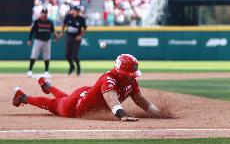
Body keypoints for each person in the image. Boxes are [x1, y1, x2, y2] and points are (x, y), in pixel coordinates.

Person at [12, 54, 165, 121]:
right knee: (54, 105)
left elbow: (140, 100)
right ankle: (22, 96)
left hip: (84, 93)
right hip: (74, 108)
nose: (133, 77)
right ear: (121, 72)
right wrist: (121, 114)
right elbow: (110, 98)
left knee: (62, 98)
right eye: (130, 74)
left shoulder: (130, 81)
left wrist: (158, 113)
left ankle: (47, 86)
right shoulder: (109, 78)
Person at [27, 8, 58, 78]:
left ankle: (46, 71)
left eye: (45, 13)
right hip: (38, 41)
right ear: (41, 13)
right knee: (34, 55)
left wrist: (55, 37)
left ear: (47, 13)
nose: (44, 14)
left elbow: (52, 31)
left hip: (47, 41)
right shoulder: (37, 21)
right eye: (43, 12)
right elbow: (32, 31)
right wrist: (29, 39)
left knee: (47, 56)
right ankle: (30, 70)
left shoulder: (50, 22)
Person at [61, 5, 87, 76]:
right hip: (69, 37)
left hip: (76, 39)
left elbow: (84, 29)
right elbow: (64, 25)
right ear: (73, 10)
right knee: (67, 56)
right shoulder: (68, 16)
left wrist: (80, 36)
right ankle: (72, 66)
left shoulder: (81, 19)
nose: (77, 12)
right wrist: (62, 32)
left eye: (78, 11)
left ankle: (78, 69)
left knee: (75, 55)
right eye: (76, 11)